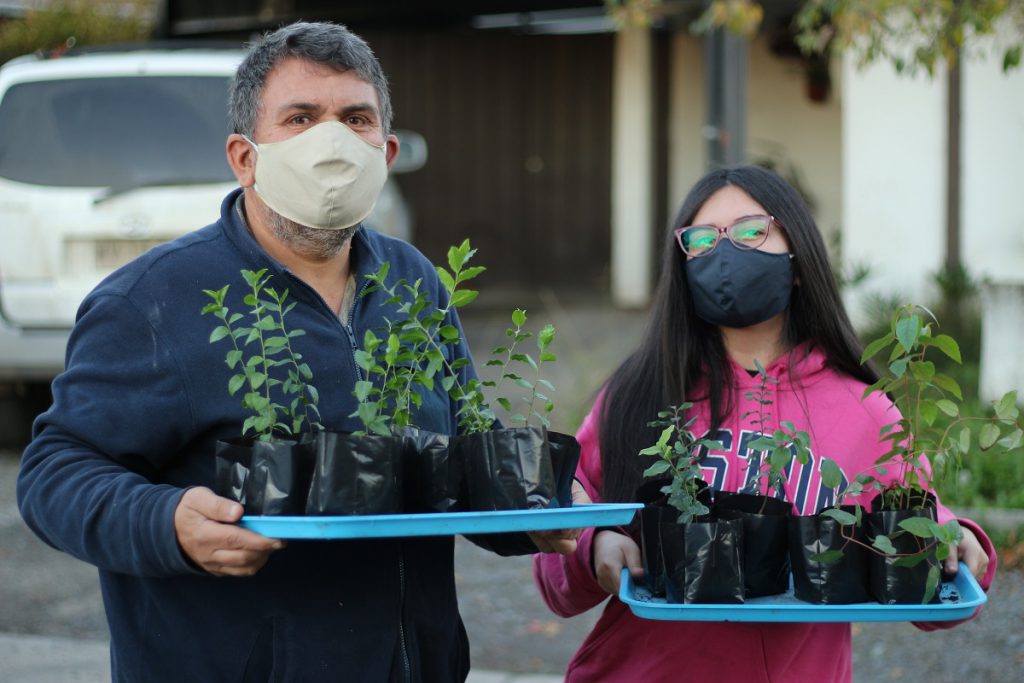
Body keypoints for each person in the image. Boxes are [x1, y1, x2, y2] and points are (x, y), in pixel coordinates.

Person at [18, 21, 576, 683]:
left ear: (387, 150)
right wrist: (164, 521)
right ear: (245, 156)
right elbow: (54, 469)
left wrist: (532, 515)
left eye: (355, 118)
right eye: (301, 117)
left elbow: (452, 458)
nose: (332, 140)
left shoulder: (414, 283)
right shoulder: (155, 299)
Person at [533, 165, 997, 682]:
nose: (726, 254)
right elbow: (557, 571)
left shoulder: (866, 409)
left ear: (797, 260)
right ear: (682, 266)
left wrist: (958, 542)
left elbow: (930, 586)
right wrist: (592, 541)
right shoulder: (637, 394)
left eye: (752, 232)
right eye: (703, 240)